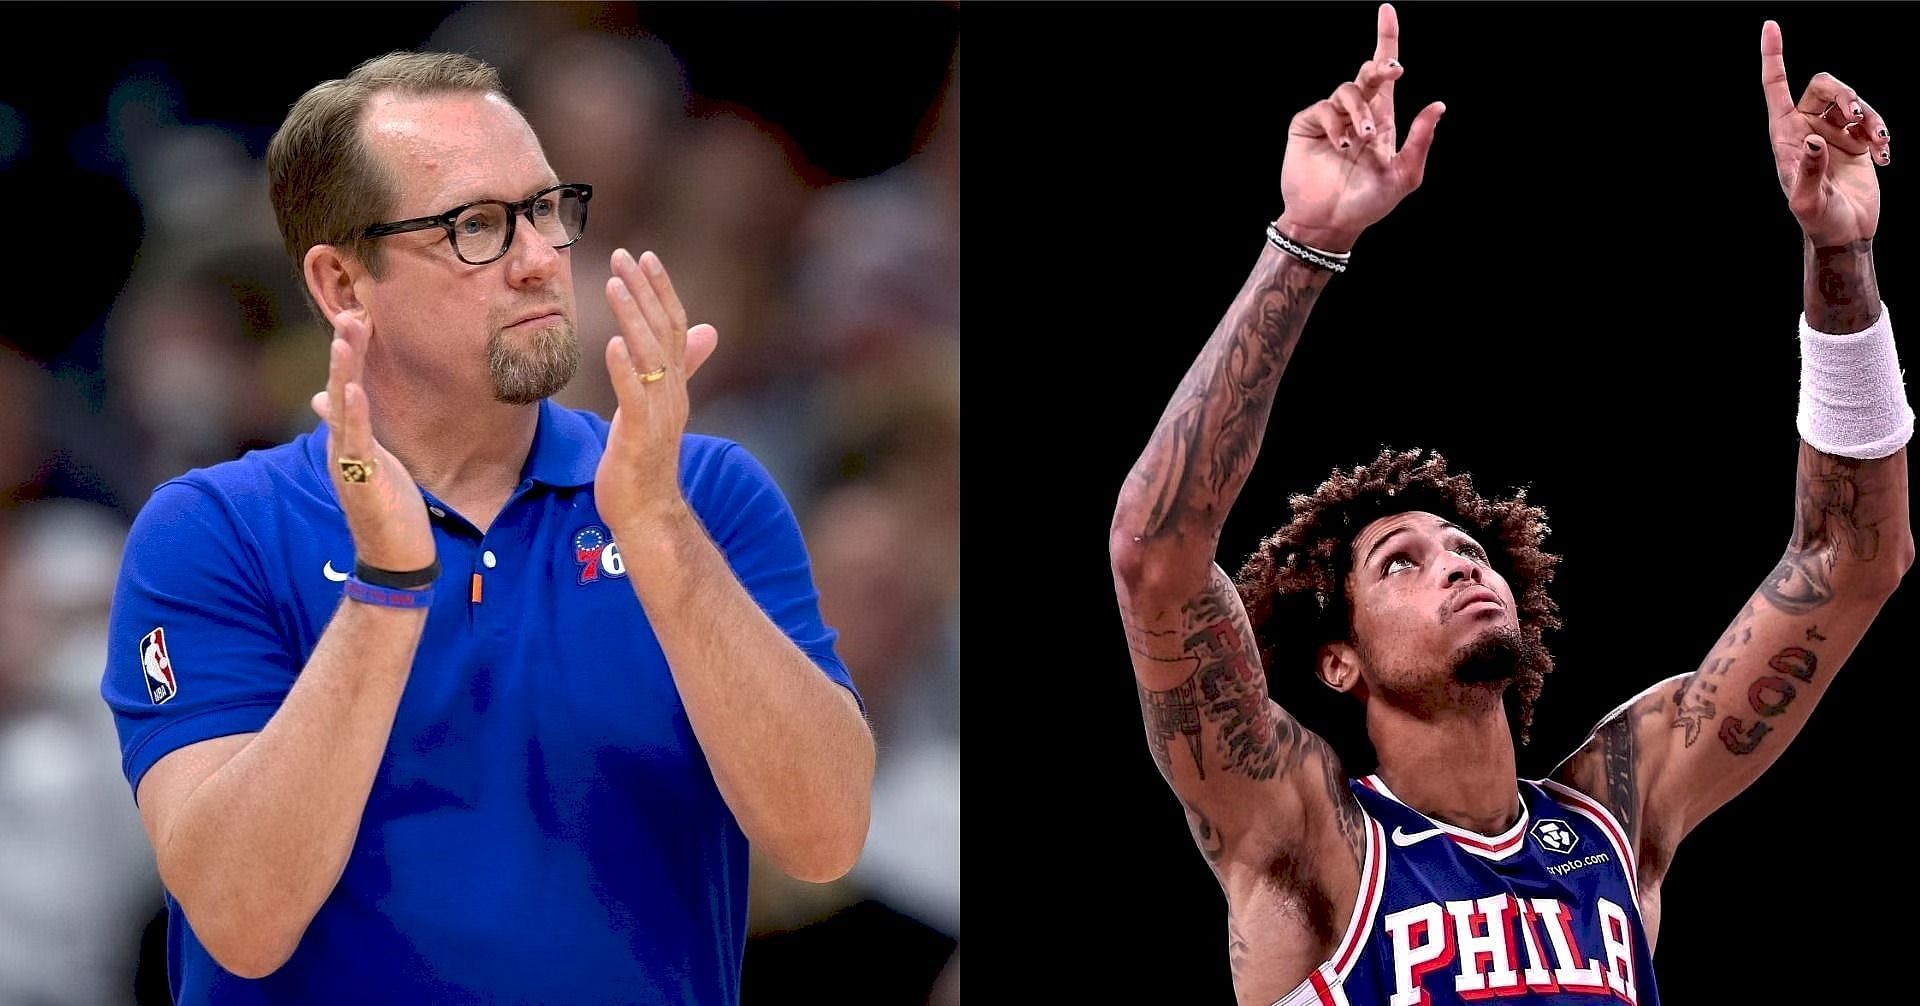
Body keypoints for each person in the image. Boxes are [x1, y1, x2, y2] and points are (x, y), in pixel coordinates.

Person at [1106, 7, 1909, 1005]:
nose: (1457, 561)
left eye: (1465, 548)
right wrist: (1306, 243)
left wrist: (1840, 259)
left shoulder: (1616, 811)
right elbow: (1155, 554)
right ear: (1338, 656)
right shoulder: (1307, 842)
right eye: (1400, 559)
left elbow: (1848, 557)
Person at [99, 52, 874, 1004]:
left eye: (547, 210)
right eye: (476, 227)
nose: (541, 258)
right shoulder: (214, 532)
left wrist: (660, 530)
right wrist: (386, 588)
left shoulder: (701, 494)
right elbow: (241, 919)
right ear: (343, 285)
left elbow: (826, 836)